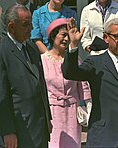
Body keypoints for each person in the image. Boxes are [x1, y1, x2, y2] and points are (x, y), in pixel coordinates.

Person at [62, 17, 118, 147]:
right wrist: (74, 46)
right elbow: (70, 73)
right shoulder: (95, 63)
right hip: (104, 134)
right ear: (106, 37)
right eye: (117, 36)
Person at [0, 4, 52, 148]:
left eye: (31, 23)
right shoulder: (2, 53)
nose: (31, 28)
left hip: (39, 127)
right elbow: (1, 97)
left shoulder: (32, 49)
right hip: (19, 131)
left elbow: (40, 84)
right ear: (11, 27)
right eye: (25, 24)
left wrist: (48, 119)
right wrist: (7, 131)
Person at [41, 18, 92, 148]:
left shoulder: (74, 60)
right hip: (52, 113)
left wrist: (88, 105)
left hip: (72, 112)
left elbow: (83, 85)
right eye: (63, 35)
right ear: (53, 36)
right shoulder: (42, 61)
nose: (66, 39)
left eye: (68, 36)